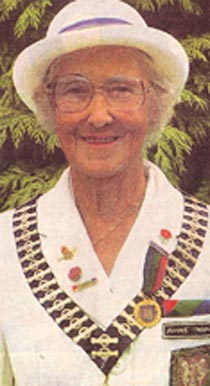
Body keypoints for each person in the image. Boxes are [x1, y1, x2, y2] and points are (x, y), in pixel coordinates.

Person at [0, 0, 210, 385]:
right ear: (51, 106)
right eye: (75, 90)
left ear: (154, 102)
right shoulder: (4, 249)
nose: (98, 114)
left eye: (122, 89)